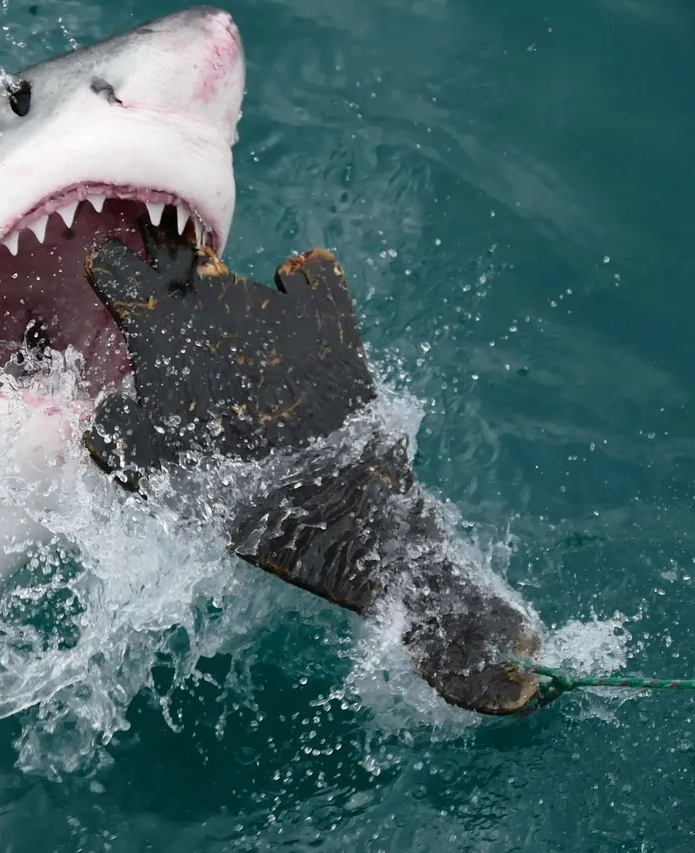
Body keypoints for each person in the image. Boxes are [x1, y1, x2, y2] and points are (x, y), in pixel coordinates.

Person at [81, 220, 541, 715]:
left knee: (367, 530)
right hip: (340, 476)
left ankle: (428, 598)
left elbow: (99, 429)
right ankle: (428, 596)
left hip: (328, 490)